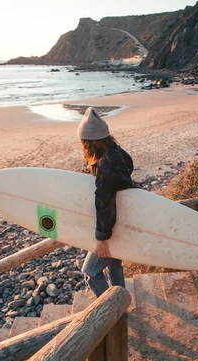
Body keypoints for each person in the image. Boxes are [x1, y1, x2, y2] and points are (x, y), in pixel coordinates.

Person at [77, 107, 134, 297]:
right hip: (125, 220)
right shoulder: (116, 152)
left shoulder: (105, 167)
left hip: (112, 227)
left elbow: (104, 204)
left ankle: (111, 311)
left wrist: (101, 239)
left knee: (90, 272)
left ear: (88, 144)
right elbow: (129, 168)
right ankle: (121, 304)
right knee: (114, 264)